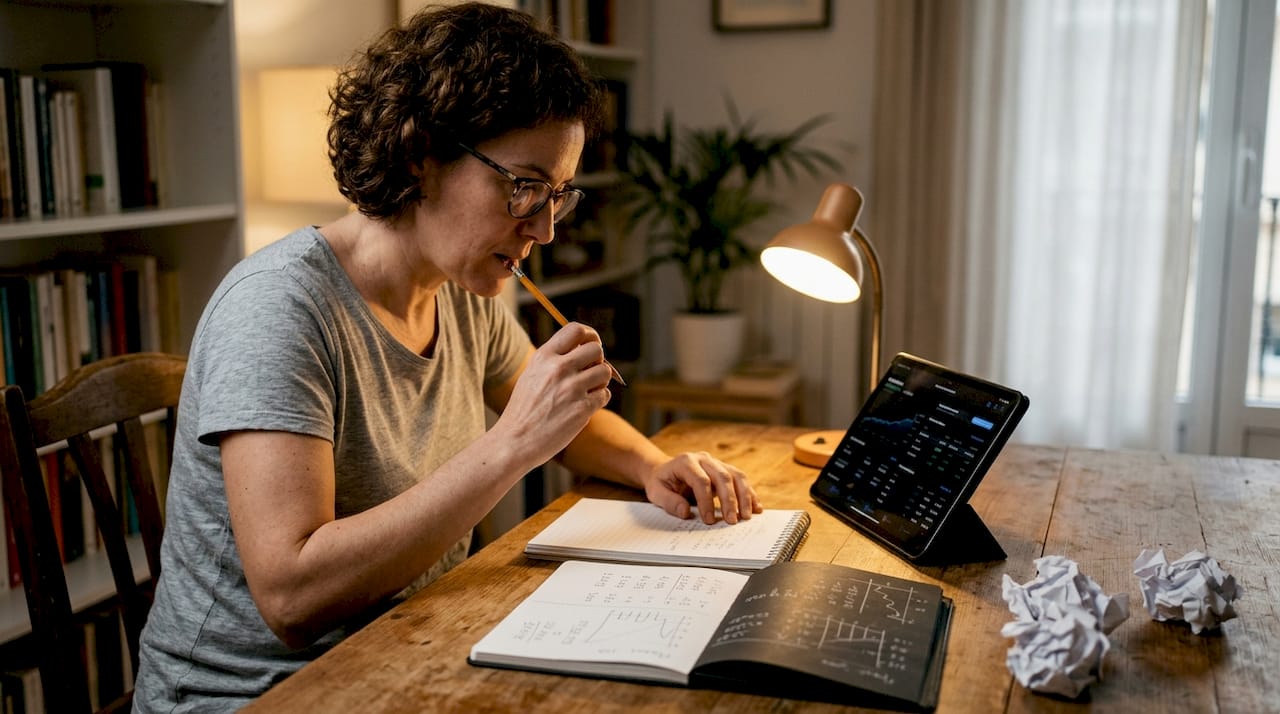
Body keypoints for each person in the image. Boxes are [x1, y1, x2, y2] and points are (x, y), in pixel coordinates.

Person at [133, 3, 762, 710]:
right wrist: (511, 446)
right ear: (421, 155)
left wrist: (653, 466)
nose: (546, 229)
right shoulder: (279, 309)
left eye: (559, 195)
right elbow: (290, 594)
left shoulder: (461, 286)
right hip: (259, 695)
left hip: (406, 651)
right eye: (524, 186)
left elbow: (561, 417)